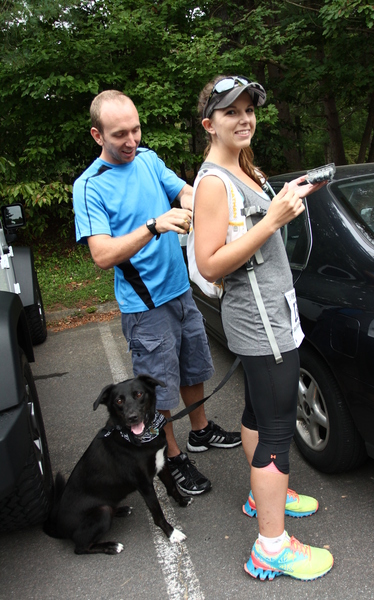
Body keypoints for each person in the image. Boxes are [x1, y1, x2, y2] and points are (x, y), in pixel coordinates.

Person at [193, 75, 334, 580]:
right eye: (231, 112)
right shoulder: (214, 182)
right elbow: (209, 264)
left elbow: (252, 230)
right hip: (261, 323)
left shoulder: (243, 167)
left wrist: (287, 200)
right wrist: (272, 220)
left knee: (257, 411)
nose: (244, 118)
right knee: (277, 430)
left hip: (273, 313)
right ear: (209, 124)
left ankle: (264, 497)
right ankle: (271, 547)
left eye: (249, 109)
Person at [72, 89, 241, 496]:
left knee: (194, 369)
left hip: (181, 291)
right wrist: (153, 226)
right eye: (119, 135)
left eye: (136, 130)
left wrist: (215, 199)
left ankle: (200, 431)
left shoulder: (147, 159)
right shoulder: (89, 186)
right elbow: (102, 254)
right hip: (145, 307)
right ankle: (172, 454)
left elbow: (187, 192)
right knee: (157, 389)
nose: (131, 141)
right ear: (97, 135)